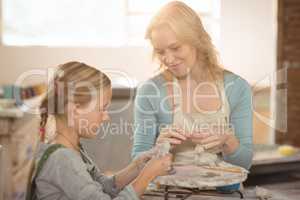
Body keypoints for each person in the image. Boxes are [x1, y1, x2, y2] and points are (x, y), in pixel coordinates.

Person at [132, 1, 253, 190]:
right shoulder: (150, 91)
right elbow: (136, 164)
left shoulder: (236, 88)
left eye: (176, 48)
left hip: (222, 195)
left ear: (197, 40)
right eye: (160, 51)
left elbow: (244, 165)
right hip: (167, 194)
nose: (168, 59)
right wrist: (158, 149)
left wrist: (228, 140)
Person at [26, 61, 172, 200]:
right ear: (76, 109)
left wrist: (137, 166)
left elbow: (101, 187)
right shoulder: (62, 159)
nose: (106, 117)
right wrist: (146, 176)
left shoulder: (72, 149)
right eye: (102, 109)